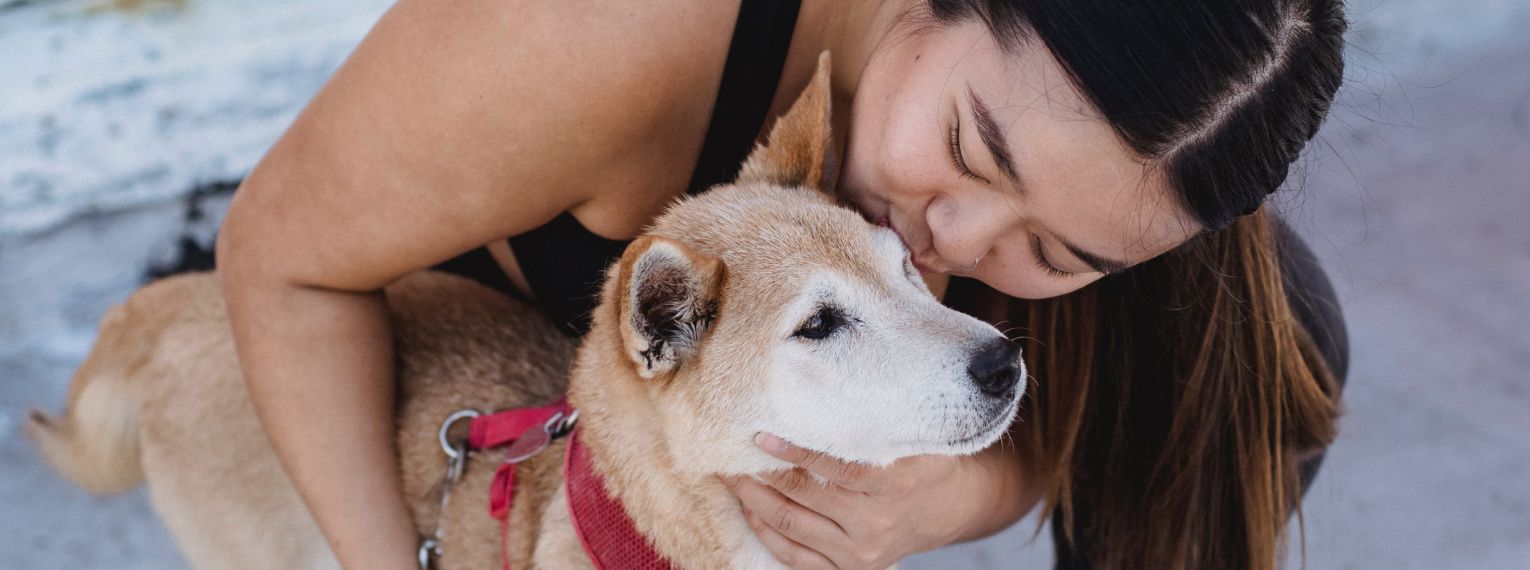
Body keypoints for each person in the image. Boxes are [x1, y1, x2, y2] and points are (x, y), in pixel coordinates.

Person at [215, 0, 1350, 568]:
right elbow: (279, 260)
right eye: (969, 149)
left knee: (1277, 360)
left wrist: (950, 498)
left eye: (1059, 258)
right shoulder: (596, 36)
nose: (949, 242)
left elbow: (1124, 410)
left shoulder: (1105, 173)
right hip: (461, 371)